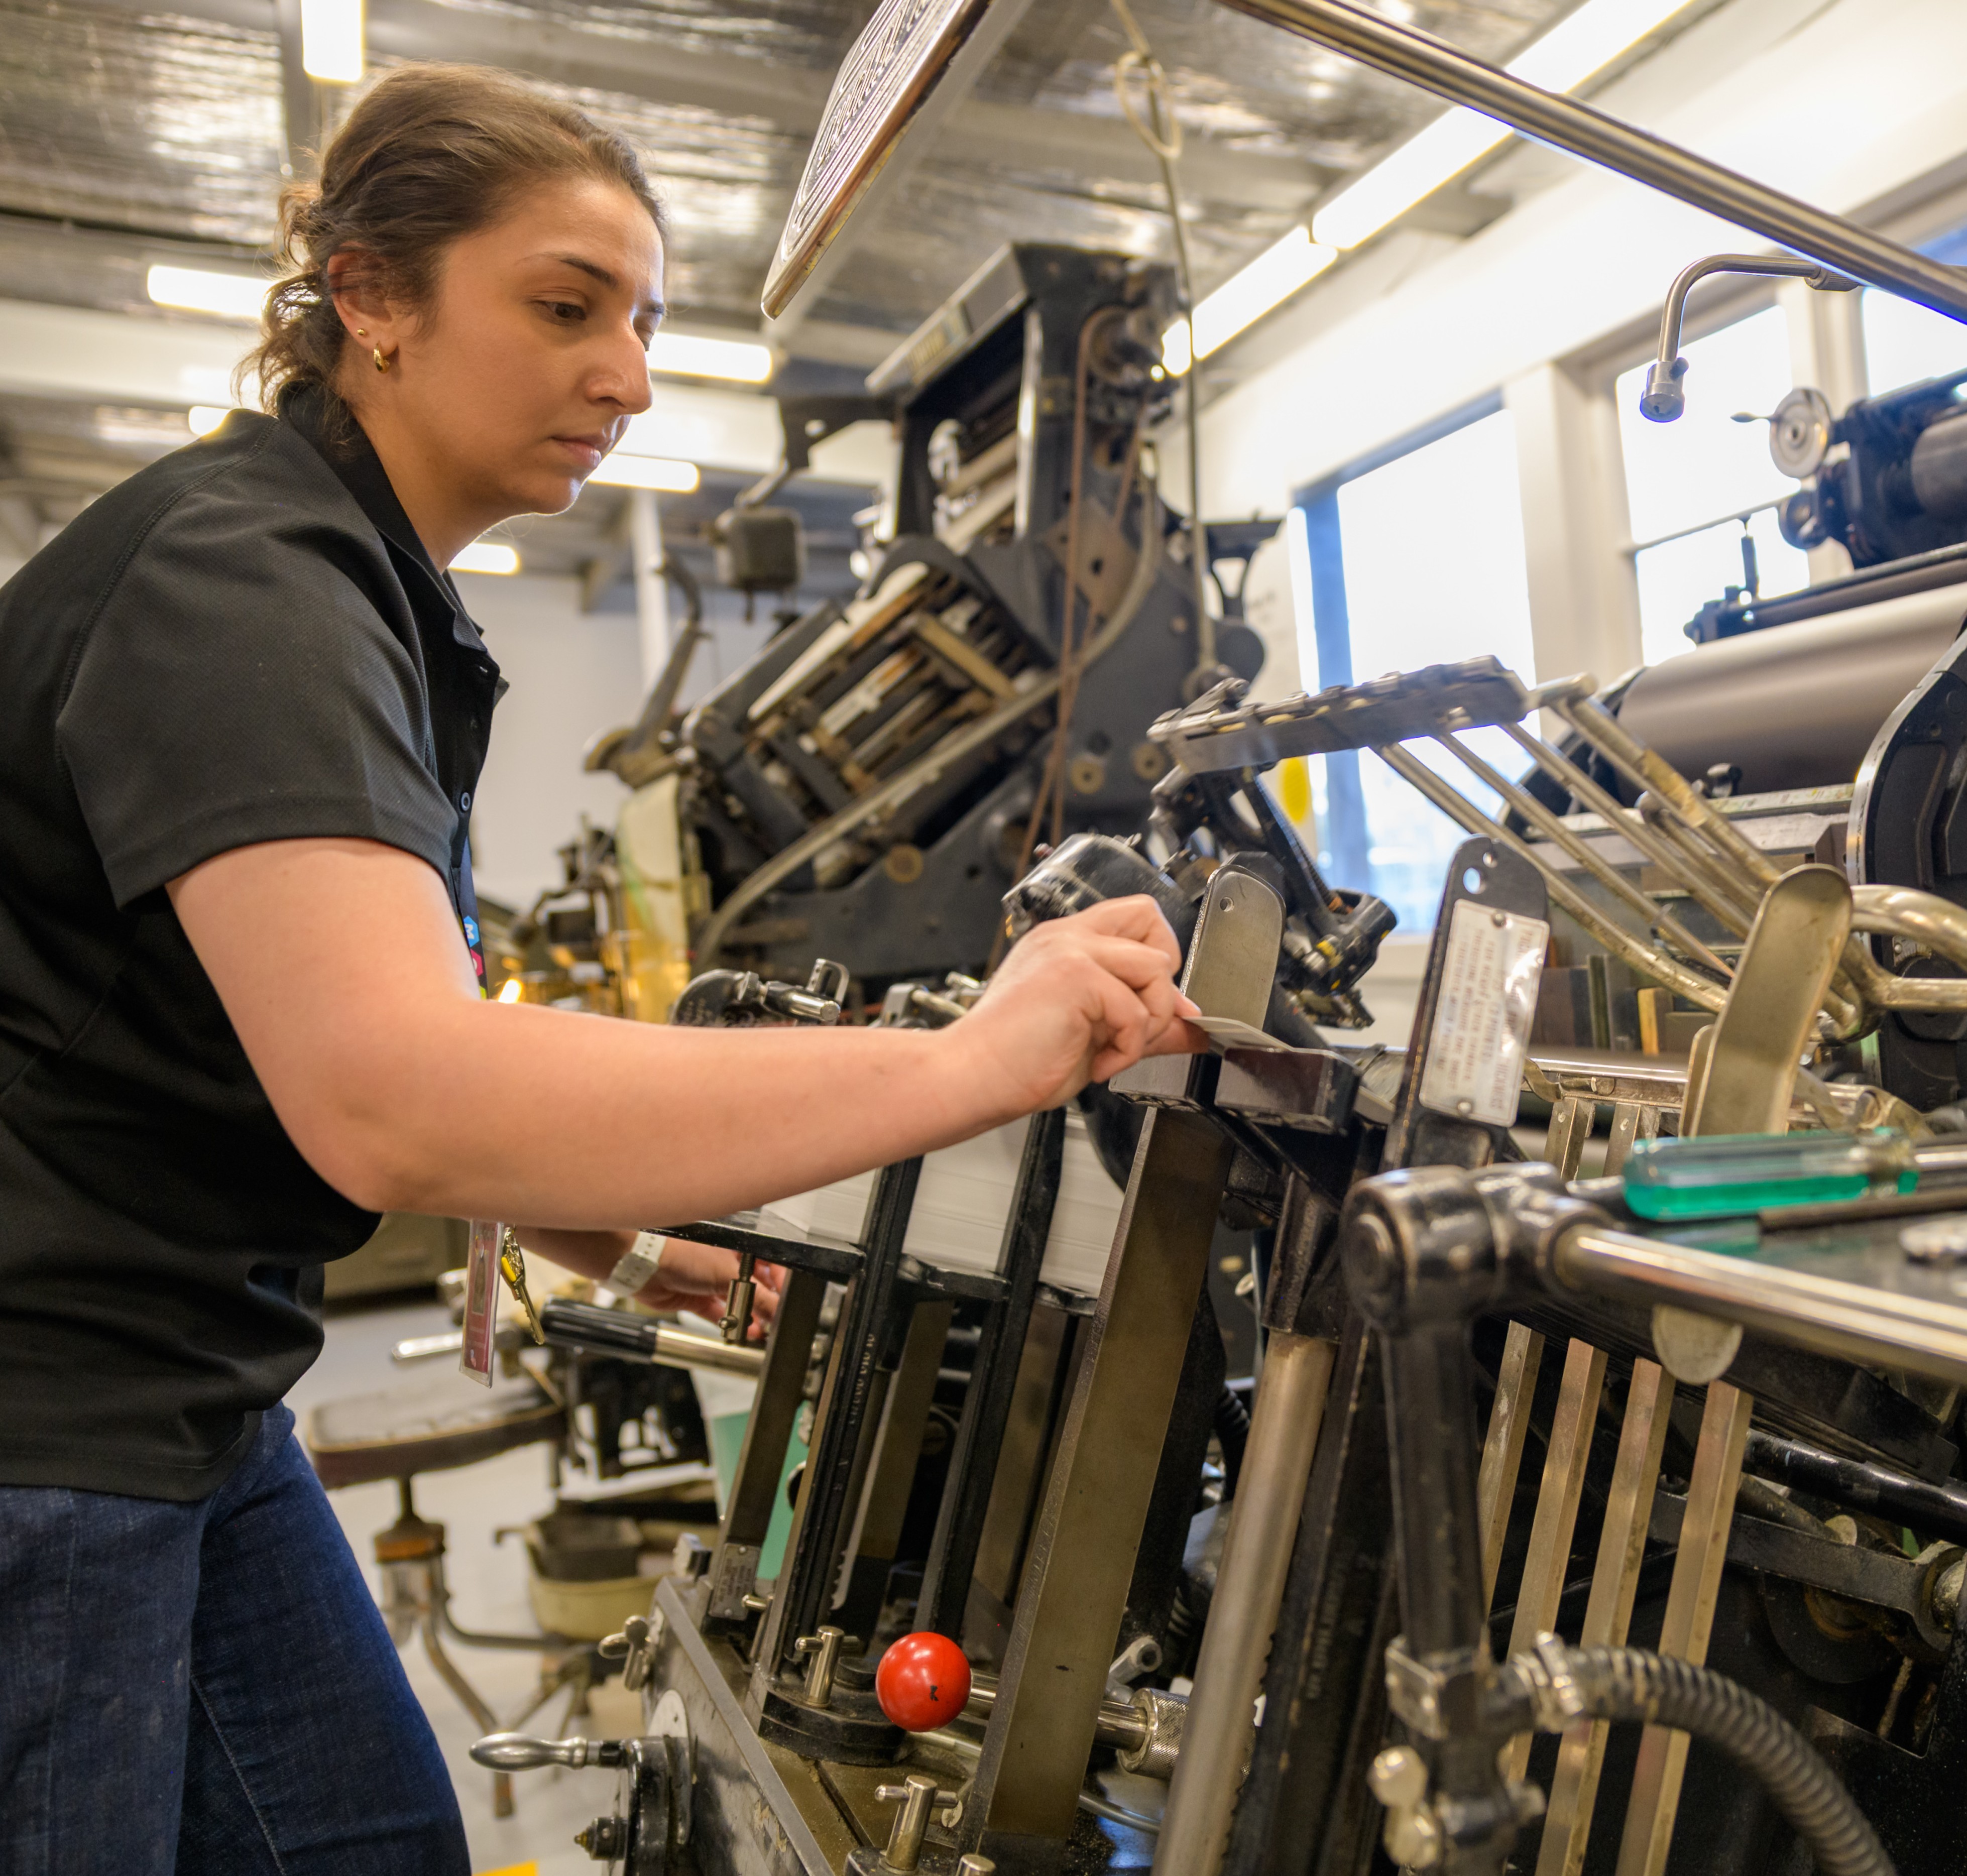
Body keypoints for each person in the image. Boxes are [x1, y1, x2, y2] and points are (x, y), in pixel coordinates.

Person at [0, 64, 1199, 1874]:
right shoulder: (245, 581)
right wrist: (979, 1060)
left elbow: (285, 1035)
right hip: (46, 1420)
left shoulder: (359, 587)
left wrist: (631, 1242)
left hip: (178, 1386)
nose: (628, 377)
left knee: (367, 1844)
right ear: (371, 298)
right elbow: (396, 1095)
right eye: (566, 309)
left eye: (639, 322)